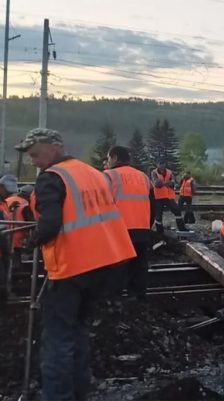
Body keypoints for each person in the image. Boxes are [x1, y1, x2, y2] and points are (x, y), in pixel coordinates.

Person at [16, 128, 136, 401]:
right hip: (104, 263)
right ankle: (80, 391)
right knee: (79, 329)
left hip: (71, 266)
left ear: (54, 148)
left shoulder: (51, 178)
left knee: (57, 337)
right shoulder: (92, 173)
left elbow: (49, 224)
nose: (34, 161)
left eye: (36, 154)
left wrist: (31, 241)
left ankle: (57, 396)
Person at [104, 146, 156, 299]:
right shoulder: (144, 177)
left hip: (118, 230)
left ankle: (114, 303)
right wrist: (147, 225)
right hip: (142, 230)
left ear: (114, 157)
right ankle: (137, 301)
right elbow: (153, 205)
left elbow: (99, 205)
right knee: (139, 267)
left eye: (108, 158)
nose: (107, 162)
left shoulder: (108, 176)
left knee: (116, 270)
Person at [1, 175, 33, 277]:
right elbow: (31, 223)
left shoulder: (6, 201)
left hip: (8, 242)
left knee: (8, 270)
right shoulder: (24, 204)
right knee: (13, 269)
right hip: (11, 242)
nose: (9, 193)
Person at [151, 160, 188, 236]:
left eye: (163, 163)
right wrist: (167, 183)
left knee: (177, 210)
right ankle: (159, 232)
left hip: (169, 196)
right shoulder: (154, 172)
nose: (162, 165)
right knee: (158, 215)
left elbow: (173, 183)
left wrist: (163, 183)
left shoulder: (169, 172)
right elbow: (157, 184)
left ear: (165, 164)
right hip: (158, 197)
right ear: (157, 165)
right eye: (160, 164)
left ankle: (182, 228)